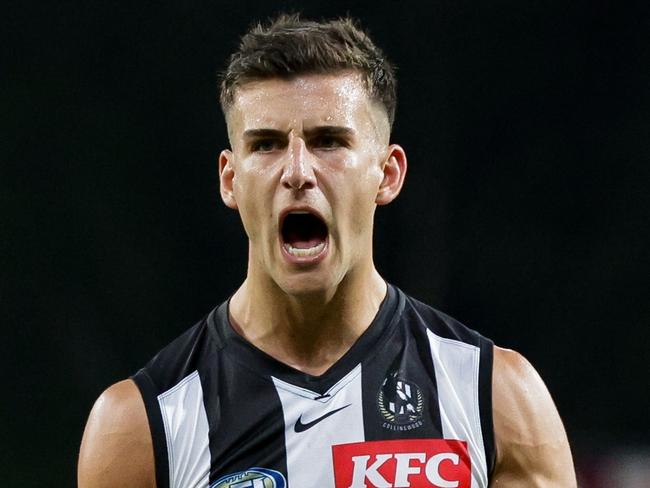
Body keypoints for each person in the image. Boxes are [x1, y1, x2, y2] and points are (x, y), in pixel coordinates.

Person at [78, 14, 576, 488]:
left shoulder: (498, 399)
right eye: (267, 145)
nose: (297, 171)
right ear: (231, 180)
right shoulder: (141, 426)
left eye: (329, 141)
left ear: (388, 172)